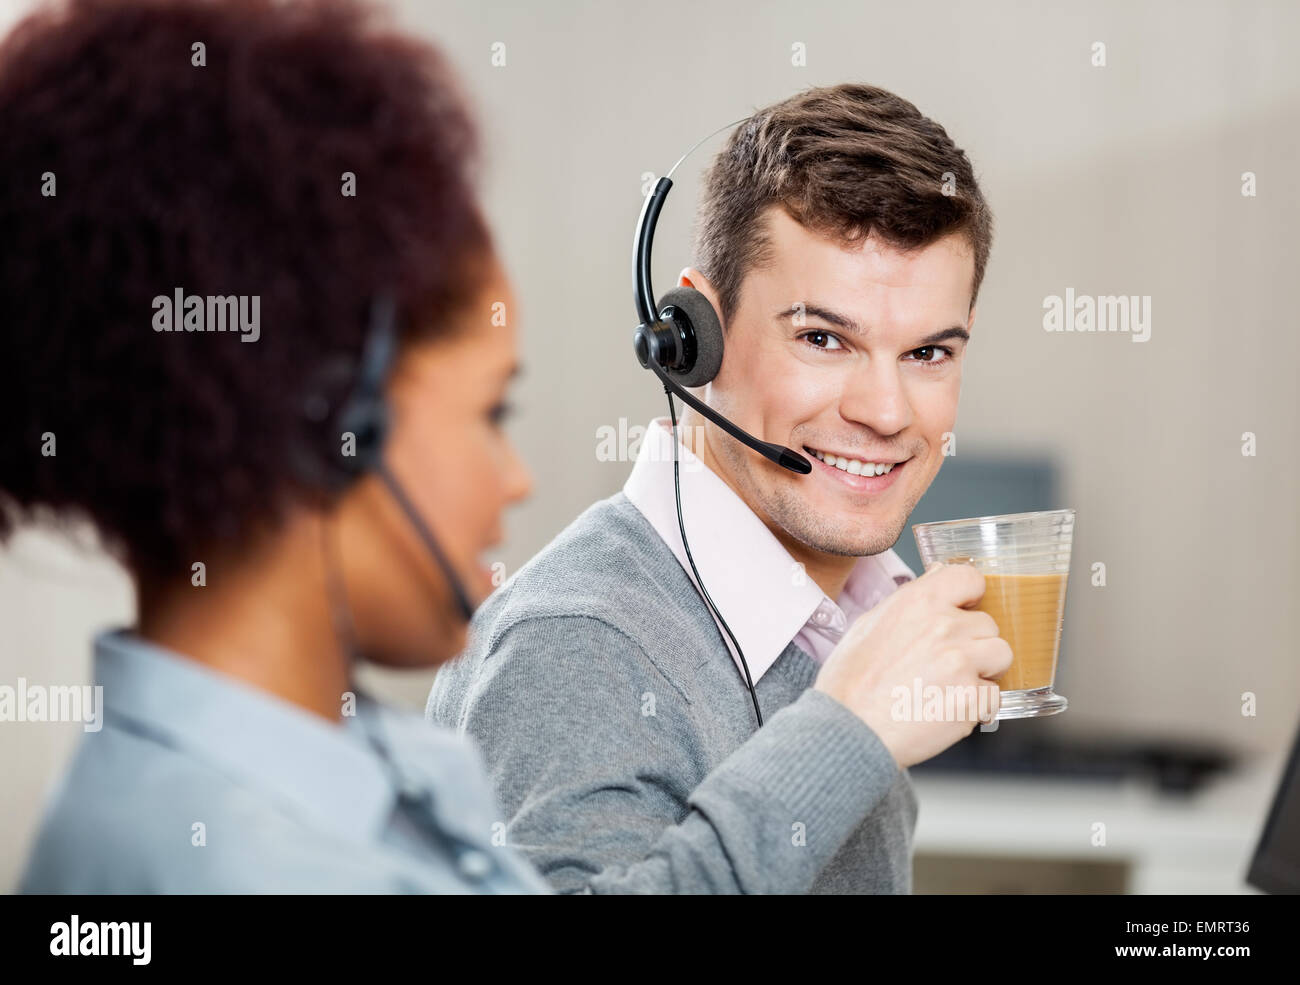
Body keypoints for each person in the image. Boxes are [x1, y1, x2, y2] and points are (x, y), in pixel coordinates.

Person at [2, 0, 546, 893]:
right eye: (494, 410)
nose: (516, 479)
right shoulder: (262, 871)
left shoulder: (345, 768)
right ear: (331, 422)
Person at [427, 83, 1012, 894]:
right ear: (693, 339)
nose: (886, 413)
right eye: (822, 338)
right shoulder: (578, 642)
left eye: (928, 354)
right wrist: (843, 734)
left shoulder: (848, 624)